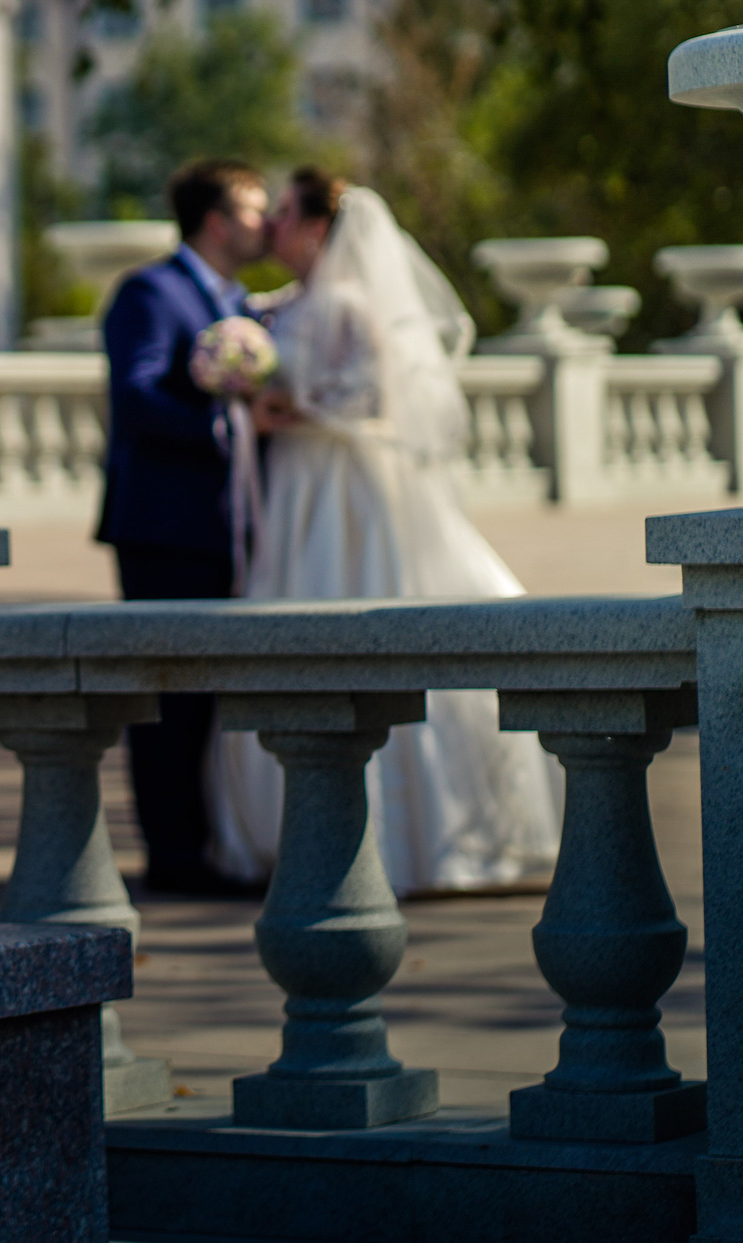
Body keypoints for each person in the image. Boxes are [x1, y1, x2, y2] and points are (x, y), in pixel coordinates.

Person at [208, 168, 561, 894]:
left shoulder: (350, 302)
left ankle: (414, 837)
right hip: (299, 490)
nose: (272, 223)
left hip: (347, 487)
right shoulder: (285, 305)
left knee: (368, 620)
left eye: (284, 211)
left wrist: (290, 407)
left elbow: (381, 397)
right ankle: (300, 828)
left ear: (315, 227)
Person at [98, 157, 270, 896]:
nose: (265, 224)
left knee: (214, 689)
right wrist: (227, 423)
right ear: (217, 219)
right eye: (255, 209)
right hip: (164, 526)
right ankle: (173, 853)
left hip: (233, 526)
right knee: (169, 693)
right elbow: (133, 399)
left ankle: (213, 839)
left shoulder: (248, 305)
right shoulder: (150, 291)